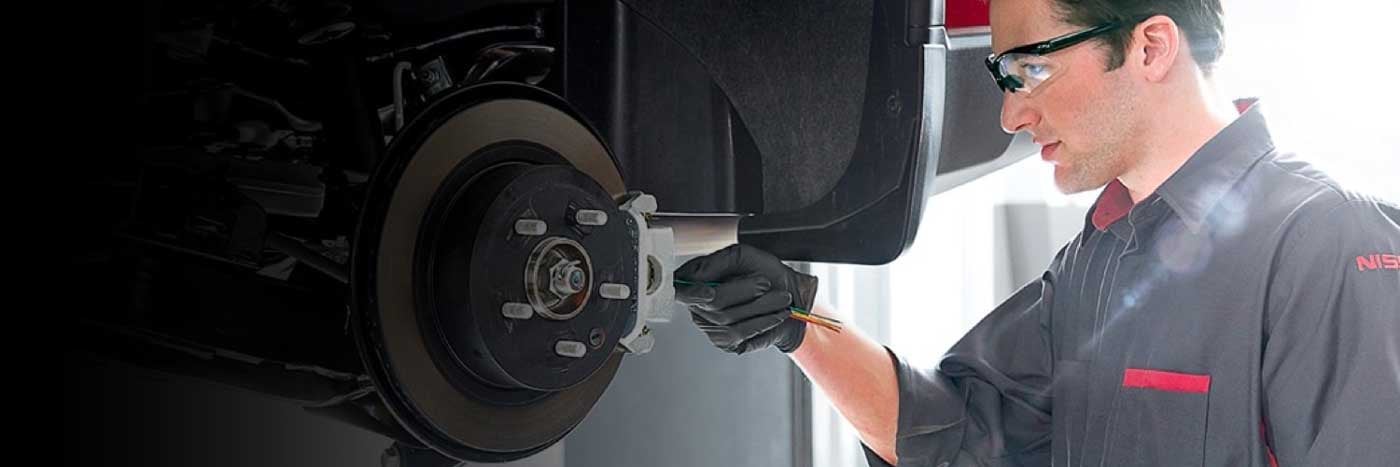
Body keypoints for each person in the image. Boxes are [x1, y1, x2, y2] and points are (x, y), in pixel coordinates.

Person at [674, 0, 1400, 465]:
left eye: (1031, 69)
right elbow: (956, 433)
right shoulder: (1096, 261)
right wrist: (798, 320)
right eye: (1003, 77)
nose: (1010, 116)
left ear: (1150, 47)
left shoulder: (1329, 242)